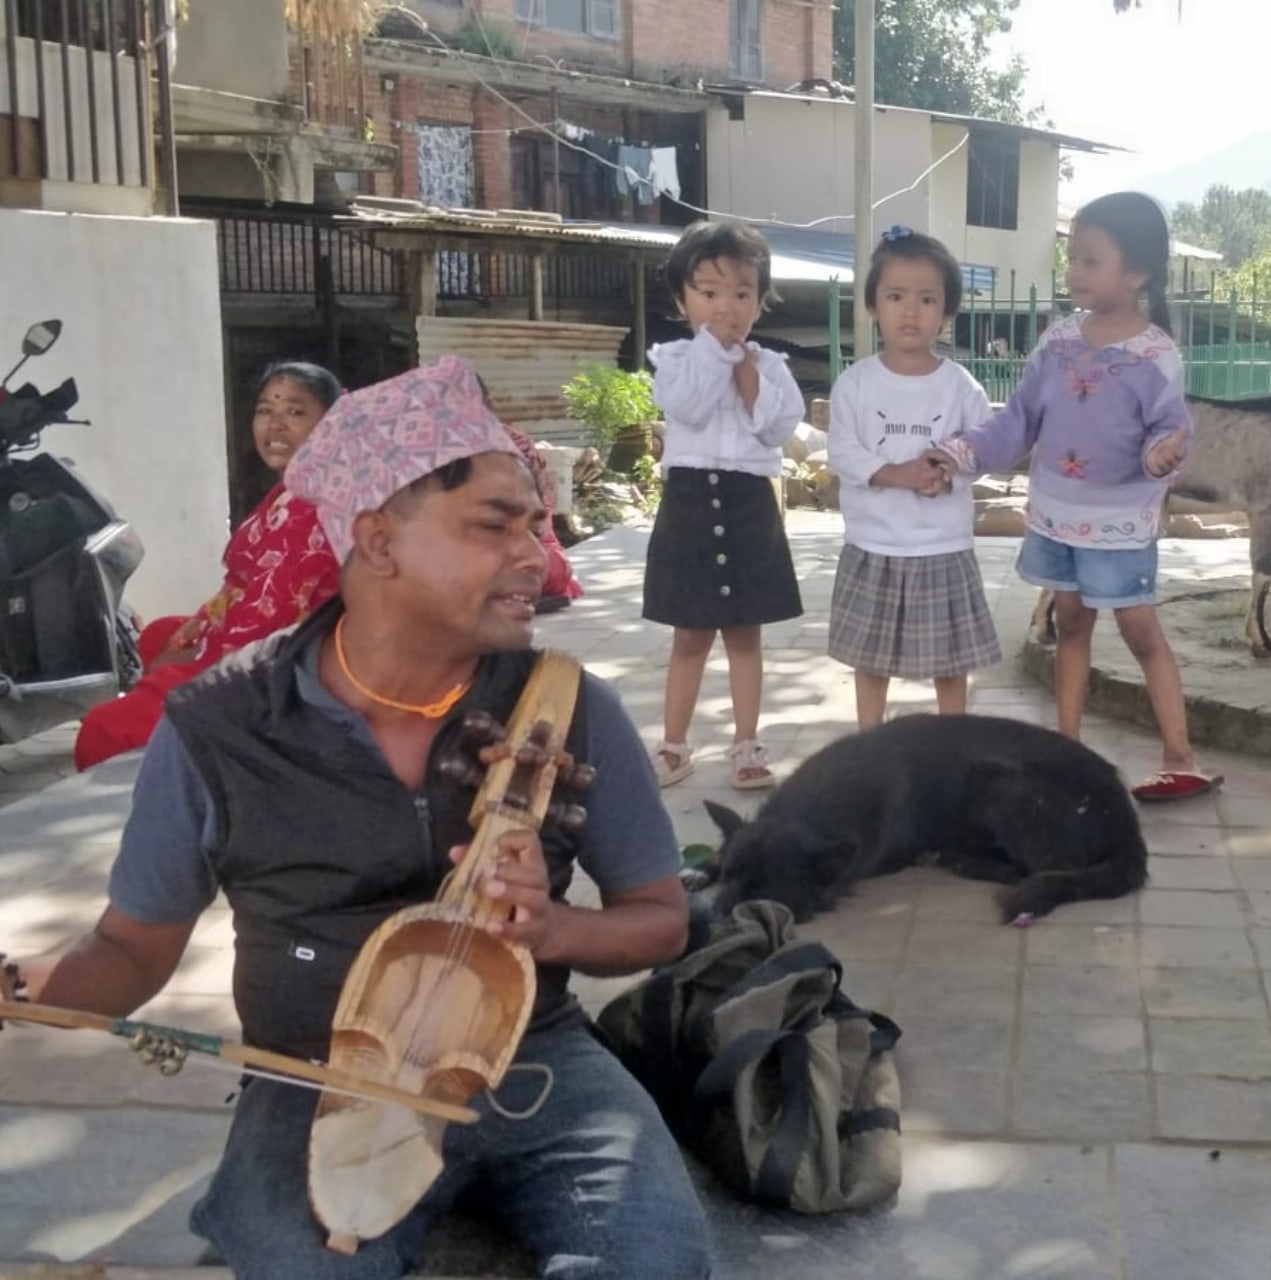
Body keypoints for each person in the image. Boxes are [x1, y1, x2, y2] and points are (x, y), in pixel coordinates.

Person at [2, 356, 710, 1280]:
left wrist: (552, 927)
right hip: (314, 1075)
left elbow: (661, 915)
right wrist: (22, 987)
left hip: (533, 1064)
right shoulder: (220, 728)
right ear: (377, 542)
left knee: (655, 1264)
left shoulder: (562, 707)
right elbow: (132, 953)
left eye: (537, 524)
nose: (537, 555)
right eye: (496, 525)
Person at [930, 191, 1220, 802]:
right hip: (1056, 515)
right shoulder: (1058, 339)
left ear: (1136, 272)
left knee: (1140, 629)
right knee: (1070, 624)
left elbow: (1171, 433)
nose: (1076, 271)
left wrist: (1162, 453)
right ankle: (1065, 751)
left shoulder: (1156, 355)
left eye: (1092, 260)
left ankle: (1181, 755)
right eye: (1074, 258)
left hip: (1120, 523)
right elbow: (1019, 421)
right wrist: (962, 453)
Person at [73, 361, 343, 771]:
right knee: (159, 636)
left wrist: (196, 657)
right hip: (266, 633)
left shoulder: (315, 504)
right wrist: (183, 640)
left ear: (328, 425)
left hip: (283, 661)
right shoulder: (291, 489)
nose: (275, 425)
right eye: (265, 410)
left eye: (295, 412)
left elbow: (270, 614)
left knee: (104, 727)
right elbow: (236, 589)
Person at [643, 219, 804, 791]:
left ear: (760, 301)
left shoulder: (773, 368)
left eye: (741, 294)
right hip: (688, 500)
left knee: (744, 635)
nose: (725, 308)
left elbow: (776, 430)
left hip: (747, 504)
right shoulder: (677, 360)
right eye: (708, 293)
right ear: (681, 298)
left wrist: (749, 375)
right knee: (689, 634)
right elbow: (686, 408)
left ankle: (746, 744)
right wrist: (716, 355)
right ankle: (674, 745)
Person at [826, 227, 1000, 729]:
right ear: (873, 305)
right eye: (896, 296)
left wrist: (948, 471)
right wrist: (895, 473)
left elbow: (981, 446)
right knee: (871, 658)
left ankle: (952, 738)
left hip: (941, 546)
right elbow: (842, 451)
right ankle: (870, 740)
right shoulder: (856, 383)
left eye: (927, 299)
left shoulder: (960, 386)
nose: (910, 311)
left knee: (950, 658)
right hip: (874, 543)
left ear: (945, 313)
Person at [474, 373, 583, 613]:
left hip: (518, 541)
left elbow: (538, 517)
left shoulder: (515, 442)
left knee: (550, 569)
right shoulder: (438, 453)